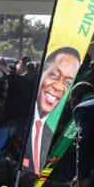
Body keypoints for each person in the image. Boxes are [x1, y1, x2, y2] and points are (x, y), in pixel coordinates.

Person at [23, 47, 81, 175]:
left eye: (67, 82)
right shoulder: (25, 118)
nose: (59, 86)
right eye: (54, 75)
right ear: (42, 71)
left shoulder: (56, 123)